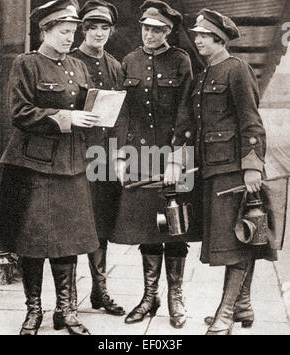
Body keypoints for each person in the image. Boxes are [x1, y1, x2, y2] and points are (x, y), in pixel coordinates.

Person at [0, 0, 102, 336]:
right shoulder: (27, 64)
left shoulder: (77, 67)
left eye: (72, 33)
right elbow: (19, 113)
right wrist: (67, 119)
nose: (70, 38)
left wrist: (98, 112)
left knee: (68, 241)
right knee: (34, 240)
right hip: (35, 165)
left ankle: (66, 311)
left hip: (71, 164)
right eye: (64, 32)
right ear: (46, 30)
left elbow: (84, 107)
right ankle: (34, 311)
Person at [186, 8, 277, 335]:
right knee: (242, 236)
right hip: (213, 170)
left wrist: (252, 166)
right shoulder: (206, 73)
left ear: (219, 38)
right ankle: (242, 305)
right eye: (196, 36)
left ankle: (225, 315)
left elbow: (251, 123)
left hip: (235, 172)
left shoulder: (236, 70)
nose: (197, 40)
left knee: (236, 242)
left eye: (203, 36)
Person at [112, 0, 194, 329]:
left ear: (169, 32)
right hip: (139, 156)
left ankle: (175, 296)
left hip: (172, 155)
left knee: (172, 228)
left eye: (157, 30)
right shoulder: (129, 60)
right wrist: (118, 153)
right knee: (149, 227)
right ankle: (149, 297)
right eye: (146, 28)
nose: (150, 34)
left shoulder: (181, 61)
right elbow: (121, 111)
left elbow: (186, 110)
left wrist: (177, 156)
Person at [70, 0, 125, 317]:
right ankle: (70, 298)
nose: (99, 33)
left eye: (105, 28)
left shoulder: (115, 65)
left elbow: (119, 116)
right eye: (93, 28)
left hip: (103, 157)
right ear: (83, 30)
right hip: (75, 155)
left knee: (101, 225)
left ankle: (99, 291)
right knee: (75, 226)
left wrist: (118, 155)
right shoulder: (71, 61)